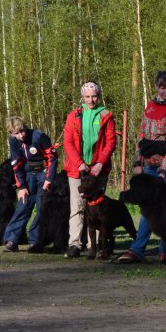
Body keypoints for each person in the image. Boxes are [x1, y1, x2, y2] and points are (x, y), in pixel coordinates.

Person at [117, 70, 166, 264]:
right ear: (156, 87)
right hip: (149, 163)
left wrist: (165, 170)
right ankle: (138, 249)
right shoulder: (151, 105)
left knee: (165, 209)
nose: (165, 92)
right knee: (147, 207)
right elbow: (142, 134)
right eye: (162, 88)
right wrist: (138, 161)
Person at [62, 81, 117, 258]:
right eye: (87, 97)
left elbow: (111, 142)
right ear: (82, 97)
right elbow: (68, 142)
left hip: (98, 170)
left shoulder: (106, 116)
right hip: (76, 168)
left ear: (98, 96)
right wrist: (78, 163)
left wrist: (100, 163)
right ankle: (75, 244)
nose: (91, 100)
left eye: (94, 96)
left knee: (100, 208)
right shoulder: (73, 116)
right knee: (77, 206)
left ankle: (100, 245)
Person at [2, 117, 58, 253]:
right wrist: (21, 186)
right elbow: (16, 163)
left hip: (43, 174)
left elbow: (52, 157)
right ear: (11, 134)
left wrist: (49, 179)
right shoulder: (13, 141)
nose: (21, 135)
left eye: (22, 131)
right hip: (28, 175)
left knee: (41, 207)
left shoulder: (39, 136)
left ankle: (35, 240)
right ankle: (12, 240)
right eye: (17, 133)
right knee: (23, 205)